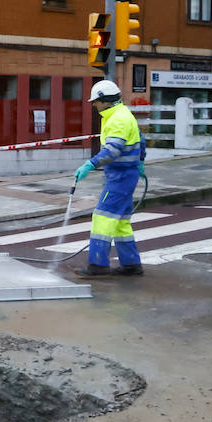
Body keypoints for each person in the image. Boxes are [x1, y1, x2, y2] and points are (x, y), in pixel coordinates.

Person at [72, 80, 147, 277]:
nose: (94, 105)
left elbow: (112, 151)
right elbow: (141, 138)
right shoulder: (120, 114)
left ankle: (98, 264)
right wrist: (140, 160)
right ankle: (131, 265)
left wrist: (90, 164)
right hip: (124, 175)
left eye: (96, 101)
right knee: (121, 222)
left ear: (105, 101)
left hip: (121, 177)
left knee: (102, 217)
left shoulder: (118, 119)